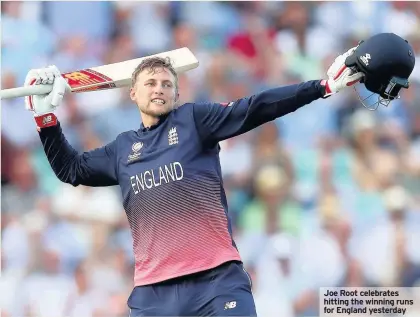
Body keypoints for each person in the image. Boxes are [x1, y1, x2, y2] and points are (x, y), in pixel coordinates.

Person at [23, 46, 363, 316]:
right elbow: (70, 170)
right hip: (153, 295)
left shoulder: (194, 121)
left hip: (216, 282)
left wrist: (322, 86)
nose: (159, 89)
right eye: (151, 83)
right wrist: (45, 117)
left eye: (167, 84)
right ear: (132, 94)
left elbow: (257, 107)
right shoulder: (121, 149)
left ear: (176, 93)